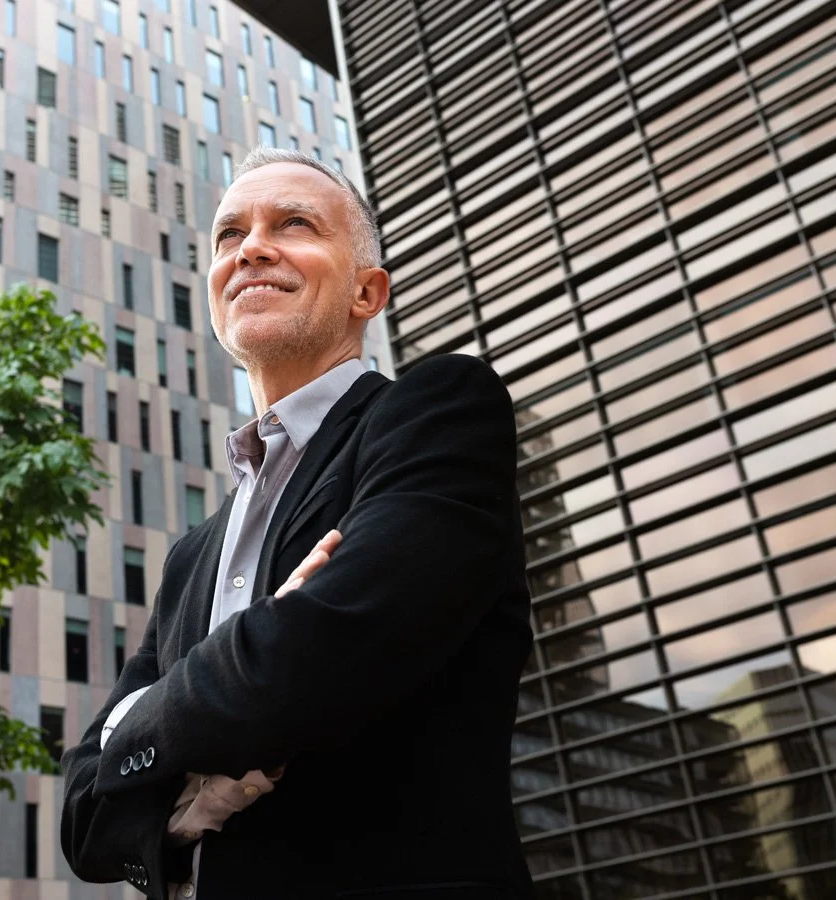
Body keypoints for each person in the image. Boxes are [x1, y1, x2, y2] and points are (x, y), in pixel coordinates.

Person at [60, 147, 534, 900]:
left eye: (294, 223)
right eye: (228, 236)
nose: (250, 247)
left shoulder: (439, 414)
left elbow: (311, 663)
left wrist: (144, 740)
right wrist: (252, 666)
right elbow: (83, 820)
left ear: (366, 292)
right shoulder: (191, 557)